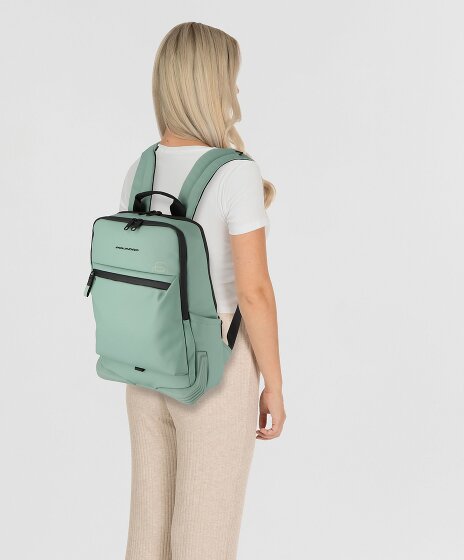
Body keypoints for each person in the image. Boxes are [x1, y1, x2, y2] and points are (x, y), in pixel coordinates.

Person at [118, 22, 286, 560]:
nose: (235, 90)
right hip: (216, 369)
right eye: (231, 77)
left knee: (148, 534)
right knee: (203, 538)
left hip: (145, 365)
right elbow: (254, 292)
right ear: (210, 84)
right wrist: (273, 384)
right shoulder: (235, 174)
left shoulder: (141, 169)